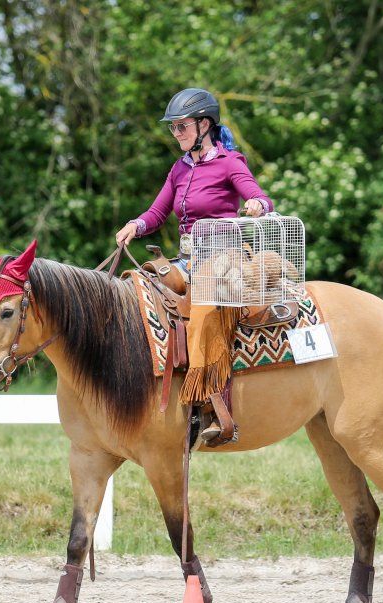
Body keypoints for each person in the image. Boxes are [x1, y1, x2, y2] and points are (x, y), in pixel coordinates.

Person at [115, 88, 275, 443]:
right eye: (173, 128)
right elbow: (157, 212)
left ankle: (211, 406)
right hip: (188, 258)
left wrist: (258, 206)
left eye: (182, 126)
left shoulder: (230, 162)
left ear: (204, 124)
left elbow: (259, 195)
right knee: (143, 289)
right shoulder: (179, 168)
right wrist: (135, 226)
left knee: (203, 311)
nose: (177, 134)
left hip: (225, 258)